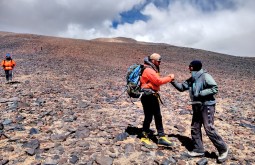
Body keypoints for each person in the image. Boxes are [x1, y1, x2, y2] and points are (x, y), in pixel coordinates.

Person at [170, 60, 228, 163]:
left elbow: (214, 88)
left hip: (207, 106)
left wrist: (201, 93)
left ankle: (223, 149)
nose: (188, 68)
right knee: (195, 127)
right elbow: (182, 87)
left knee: (209, 128)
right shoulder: (193, 78)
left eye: (190, 66)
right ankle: (198, 149)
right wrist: (172, 81)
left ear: (193, 67)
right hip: (197, 106)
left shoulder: (205, 76)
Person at [140, 53, 175, 148]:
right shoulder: (148, 70)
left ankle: (153, 136)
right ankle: (154, 137)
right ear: (153, 61)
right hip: (149, 96)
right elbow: (158, 81)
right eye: (158, 61)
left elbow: (156, 81)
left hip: (149, 95)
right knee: (153, 116)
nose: (160, 62)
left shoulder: (150, 68)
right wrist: (170, 78)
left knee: (153, 116)